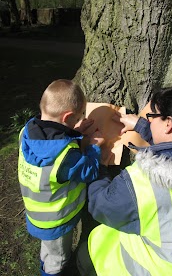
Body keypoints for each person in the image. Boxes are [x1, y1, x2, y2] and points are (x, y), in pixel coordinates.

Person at [76, 83, 172, 276]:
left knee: (85, 256)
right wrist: (142, 127)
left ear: (168, 124)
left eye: (151, 117)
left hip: (147, 270)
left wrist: (97, 161)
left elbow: (101, 206)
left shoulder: (144, 183)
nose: (148, 121)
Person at [18, 79, 105, 276]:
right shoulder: (64, 156)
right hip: (56, 220)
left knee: (49, 251)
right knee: (58, 260)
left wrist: (73, 131)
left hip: (37, 213)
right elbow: (89, 171)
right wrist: (93, 147)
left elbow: (50, 143)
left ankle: (46, 265)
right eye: (78, 118)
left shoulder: (27, 132)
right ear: (67, 117)